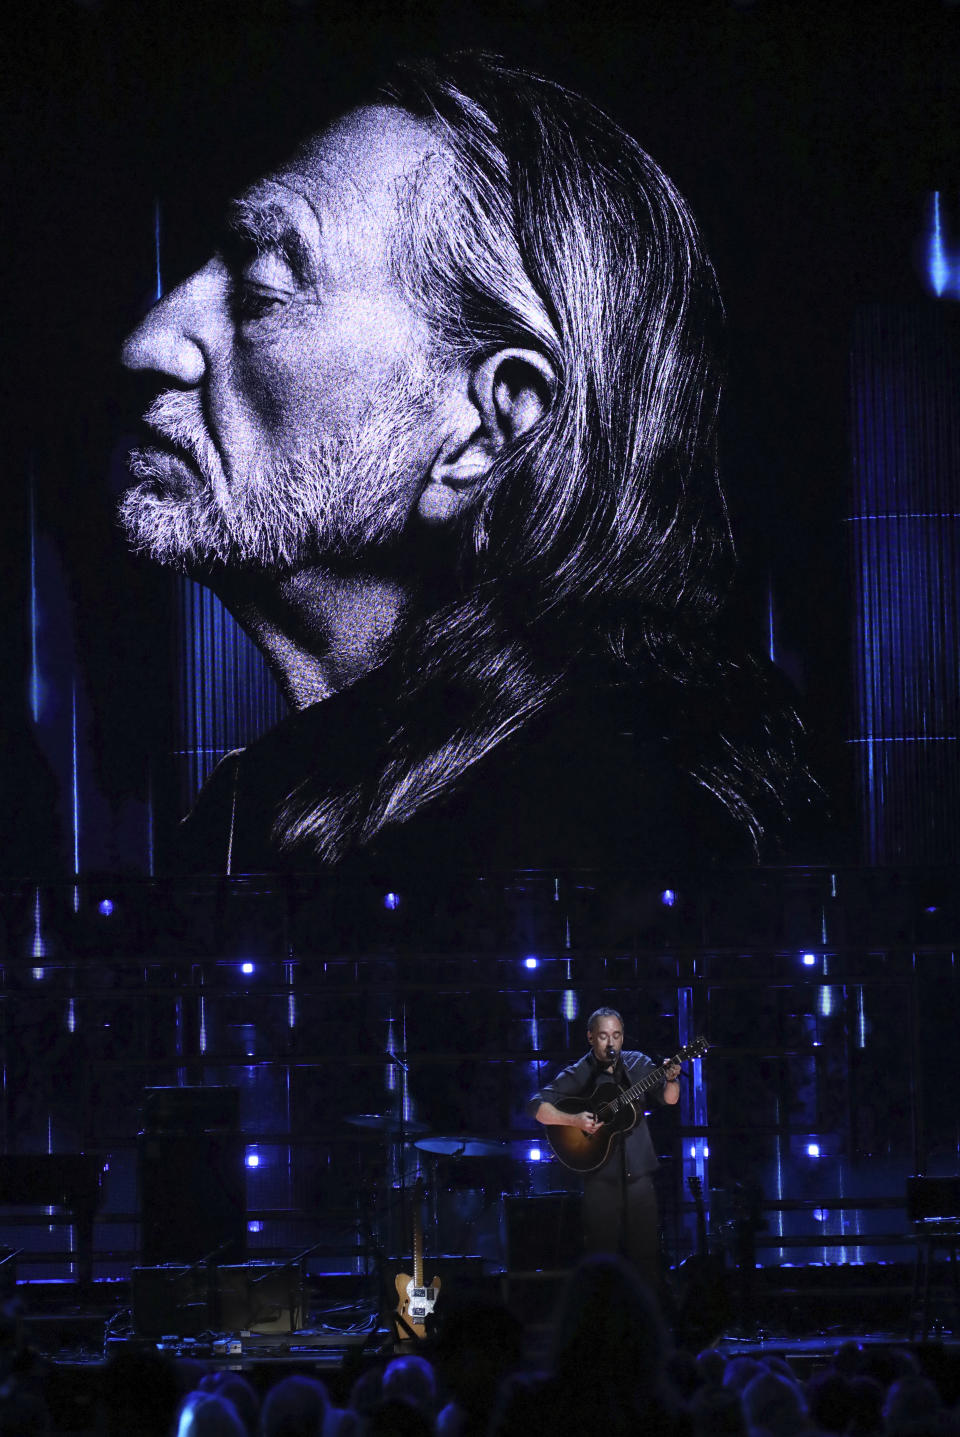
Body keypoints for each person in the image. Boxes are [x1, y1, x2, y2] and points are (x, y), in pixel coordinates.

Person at [119, 51, 810, 876]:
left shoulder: (606, 850)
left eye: (264, 288)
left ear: (486, 426)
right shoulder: (279, 809)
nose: (150, 343)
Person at [530, 1006, 679, 1290]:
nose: (610, 1043)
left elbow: (669, 1099)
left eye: (617, 1036)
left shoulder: (637, 1064)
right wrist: (573, 1119)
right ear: (590, 1037)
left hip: (640, 1174)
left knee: (646, 1257)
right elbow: (536, 1106)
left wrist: (671, 1079)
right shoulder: (580, 1072)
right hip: (600, 1177)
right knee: (601, 1258)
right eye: (603, 1036)